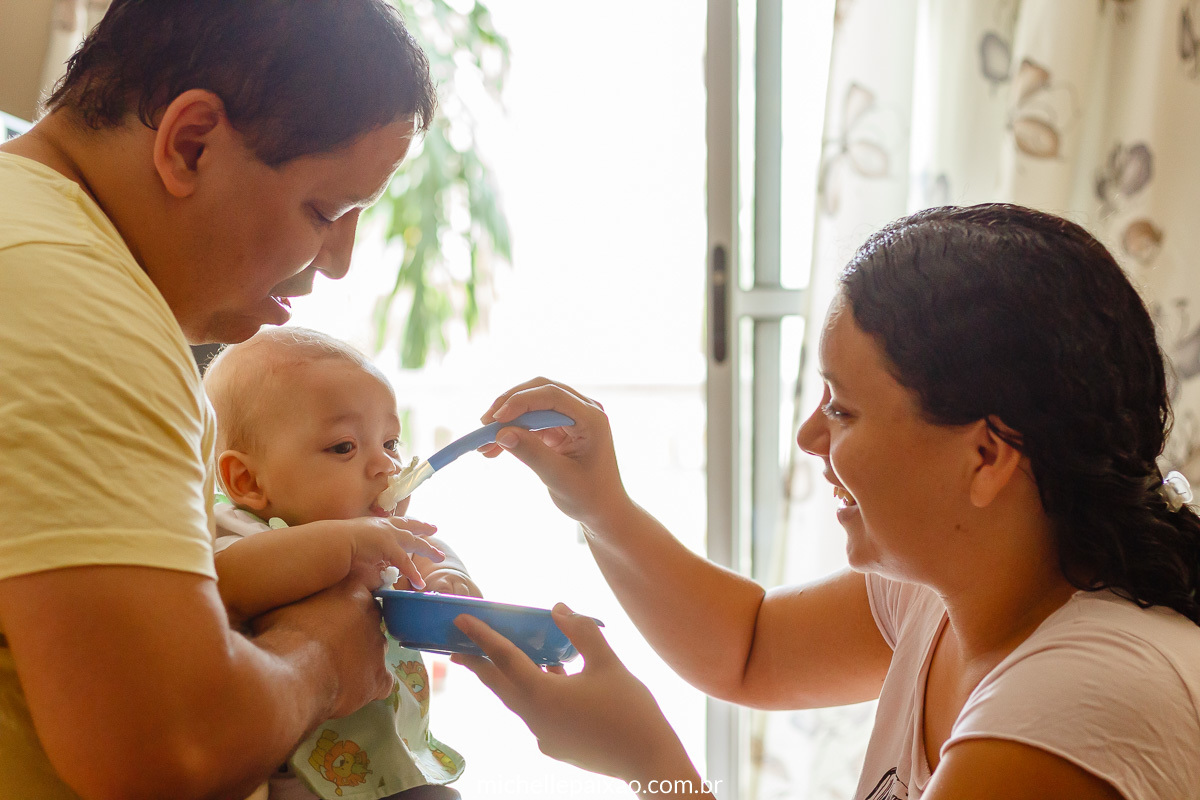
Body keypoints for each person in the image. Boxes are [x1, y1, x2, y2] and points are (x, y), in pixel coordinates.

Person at [452, 204, 1200, 800]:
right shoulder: (953, 592)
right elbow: (748, 647)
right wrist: (598, 503)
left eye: (842, 409)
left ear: (987, 456)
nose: (810, 435)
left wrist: (647, 762)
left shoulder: (1081, 704)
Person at [0, 2, 438, 797]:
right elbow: (173, 749)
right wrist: (322, 656)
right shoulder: (77, 305)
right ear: (190, 142)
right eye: (325, 212)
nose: (335, 263)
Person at [204, 327, 479, 800]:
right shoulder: (235, 531)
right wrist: (346, 546)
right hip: (290, 777)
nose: (385, 467)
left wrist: (446, 578)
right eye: (343, 447)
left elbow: (425, 552)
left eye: (390, 443)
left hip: (390, 766)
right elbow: (226, 580)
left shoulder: (374, 533)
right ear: (247, 480)